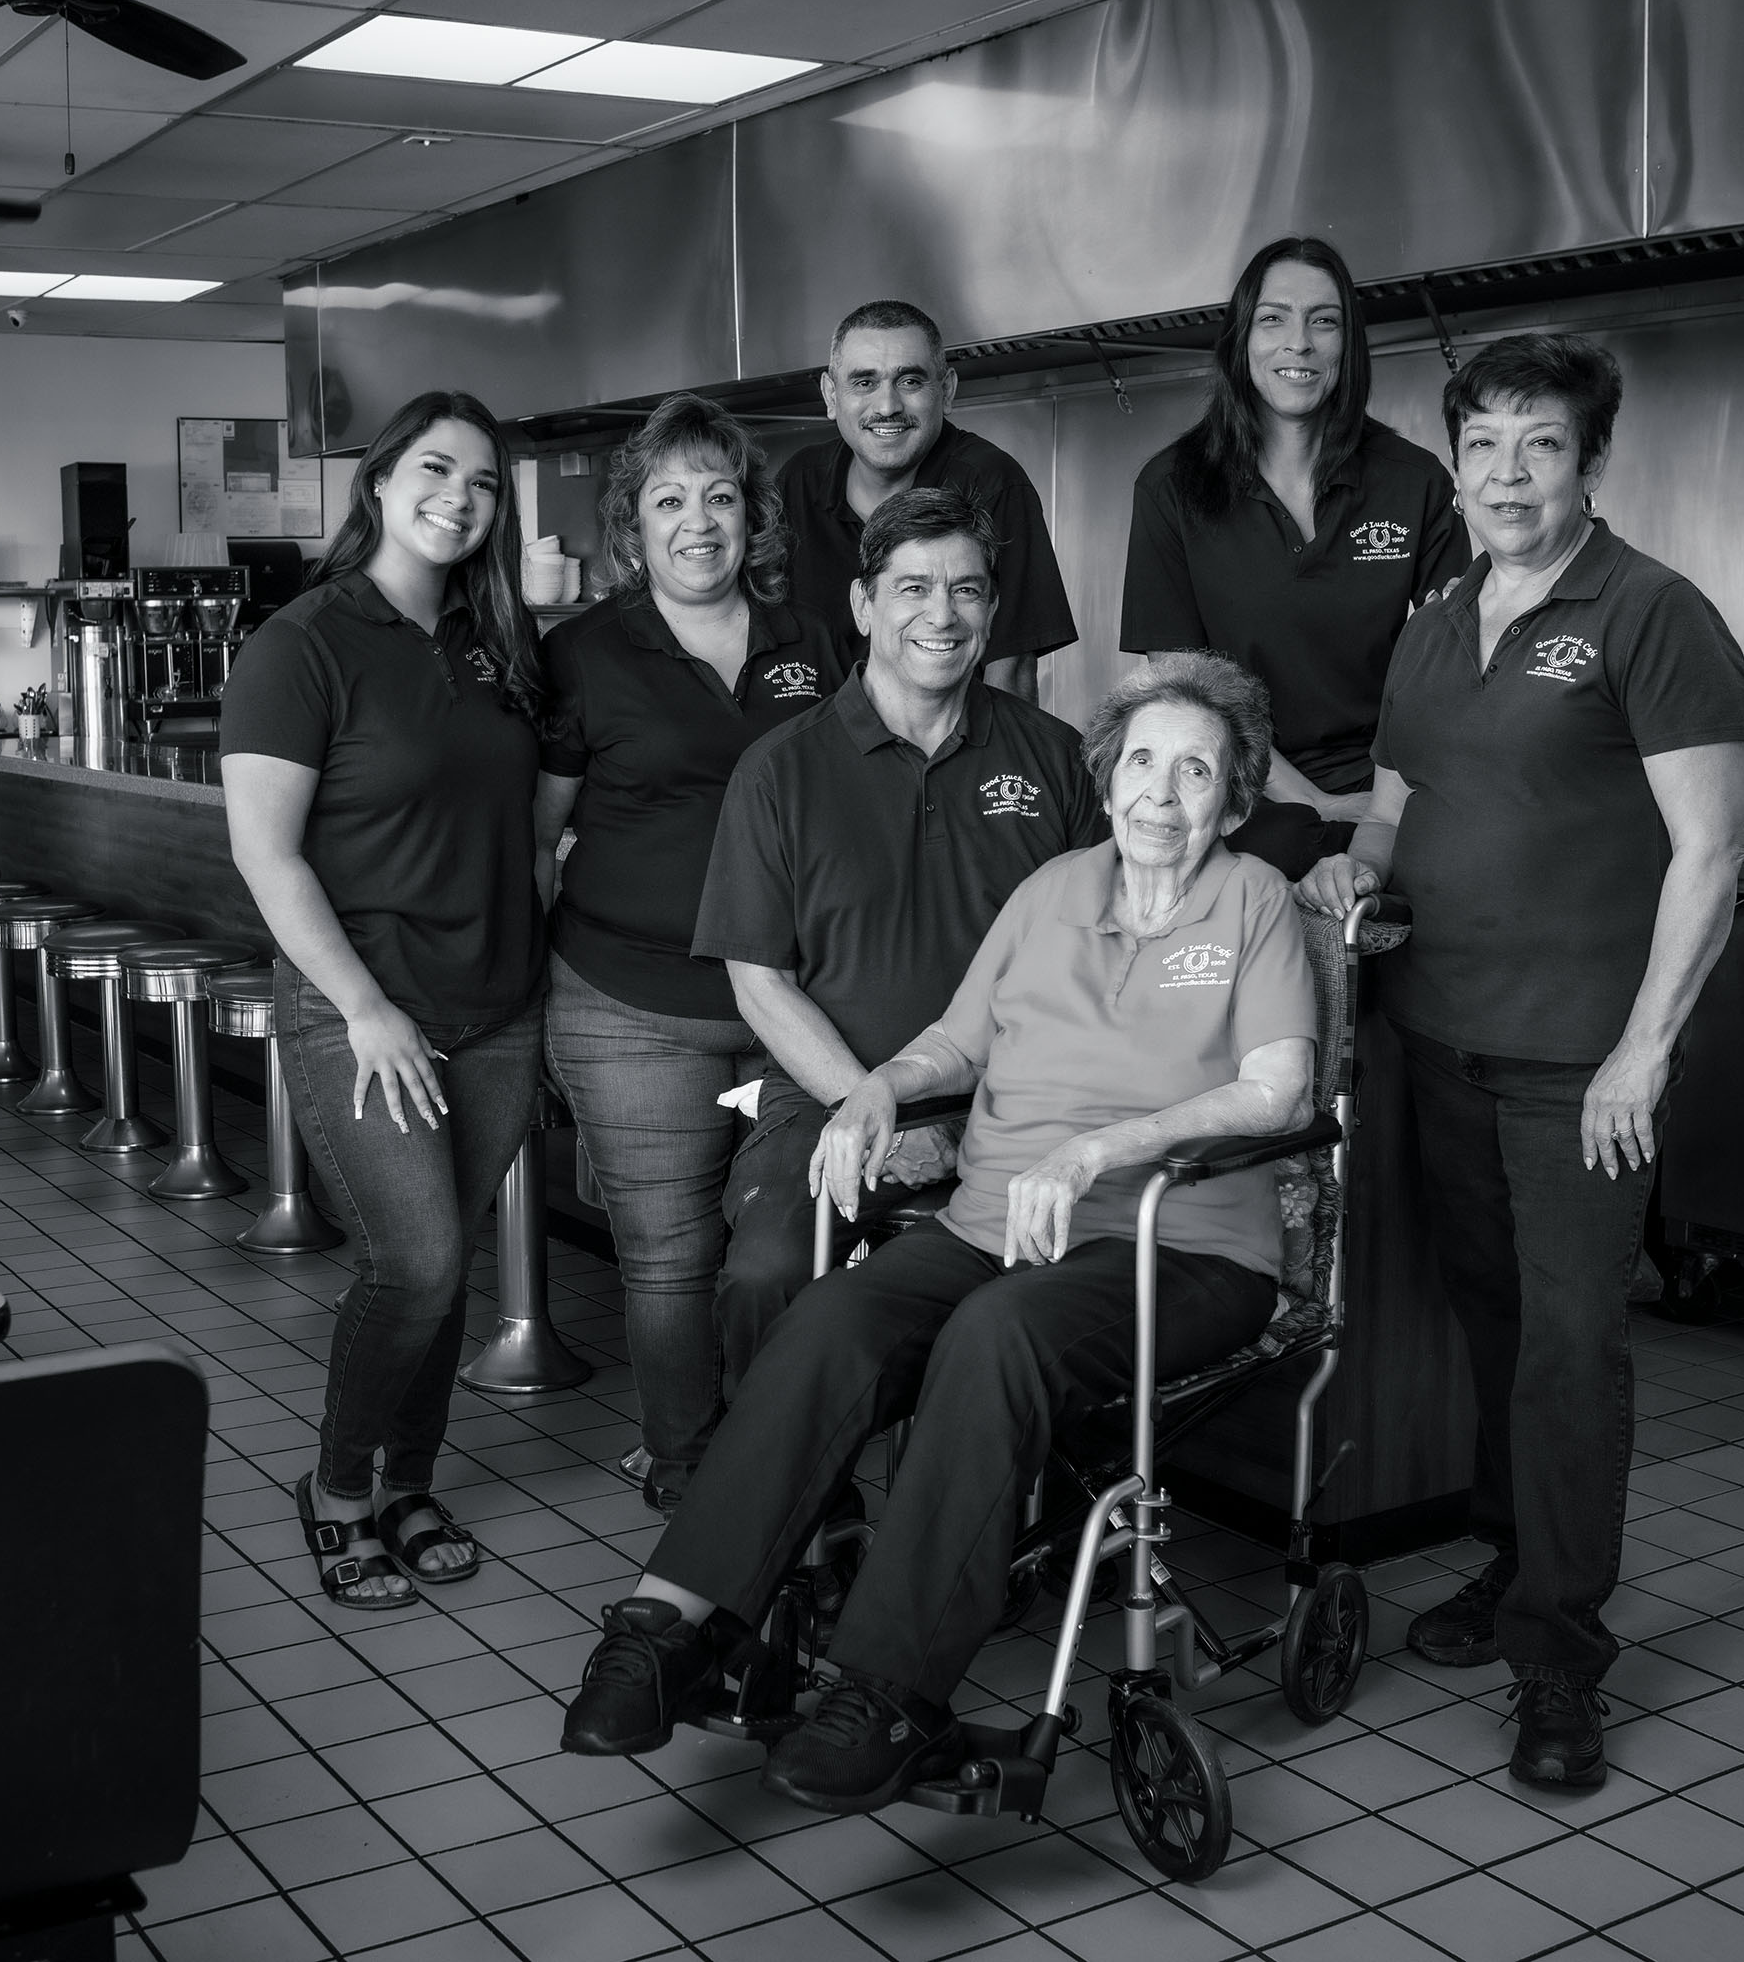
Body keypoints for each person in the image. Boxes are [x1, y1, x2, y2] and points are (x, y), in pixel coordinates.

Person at [562, 652, 1317, 1815]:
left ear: (1235, 795)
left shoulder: (1253, 899)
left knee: (998, 1332)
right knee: (835, 1321)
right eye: (1144, 762)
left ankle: (888, 1688)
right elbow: (958, 1044)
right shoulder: (1053, 887)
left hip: (1183, 1247)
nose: (1163, 793)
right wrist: (878, 1085)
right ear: (1108, 773)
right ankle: (675, 1623)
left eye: (1197, 770)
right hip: (995, 1220)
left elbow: (1280, 1091)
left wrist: (1098, 1149)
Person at [1307, 333, 1744, 1789]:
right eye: (1483, 445)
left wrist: (1644, 1049)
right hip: (1436, 1036)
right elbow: (1395, 803)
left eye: (1540, 445)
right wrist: (1350, 880)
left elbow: (1713, 849)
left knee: (1570, 1349)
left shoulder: (1652, 613)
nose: (1506, 473)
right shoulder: (1436, 621)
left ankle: (1561, 1658)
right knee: (1493, 1326)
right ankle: (1513, 1566)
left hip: (1578, 1064)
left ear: (1590, 462)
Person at [221, 389, 545, 1610]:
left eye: (483, 481)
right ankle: (339, 1487)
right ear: (378, 481)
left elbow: (528, 812)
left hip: (499, 1006)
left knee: (450, 1265)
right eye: (434, 469)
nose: (458, 498)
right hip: (362, 1008)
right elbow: (268, 853)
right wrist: (362, 1005)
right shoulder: (301, 644)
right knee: (410, 1259)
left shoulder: (495, 639)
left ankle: (410, 1481)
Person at [693, 485, 1102, 1382]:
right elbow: (760, 980)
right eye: (913, 588)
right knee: (765, 1274)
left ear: (992, 610)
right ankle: (810, 1507)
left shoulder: (1056, 757)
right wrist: (866, 1104)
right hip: (828, 1096)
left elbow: (1100, 957)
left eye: (966, 590)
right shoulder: (781, 769)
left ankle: (996, 1498)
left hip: (1016, 1103)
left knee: (1048, 1294)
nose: (941, 615)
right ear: (864, 604)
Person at [536, 394, 847, 1511]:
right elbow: (539, 829)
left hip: (796, 1003)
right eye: (671, 499)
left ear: (752, 515)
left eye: (720, 496)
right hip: (627, 999)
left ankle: (783, 1462)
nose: (698, 521)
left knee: (783, 1249)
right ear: (634, 526)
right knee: (669, 1261)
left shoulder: (817, 641)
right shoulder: (580, 652)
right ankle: (688, 1470)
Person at [1121, 235, 1468, 887]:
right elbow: (1182, 688)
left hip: (1399, 796)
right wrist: (1318, 802)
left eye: (1324, 320)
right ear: (1241, 340)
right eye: (1274, 318)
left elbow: (1455, 669)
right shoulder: (1170, 489)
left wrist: (1382, 810)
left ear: (1349, 344)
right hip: (1242, 798)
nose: (1299, 343)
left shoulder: (1413, 482)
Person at [778, 299, 1078, 703]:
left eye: (910, 382)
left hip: (954, 754)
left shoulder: (992, 484)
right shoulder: (797, 483)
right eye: (864, 382)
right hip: (825, 752)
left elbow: (1012, 672)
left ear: (947, 390)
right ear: (831, 395)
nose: (887, 407)